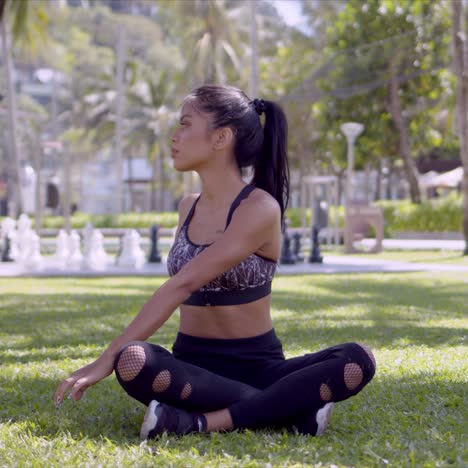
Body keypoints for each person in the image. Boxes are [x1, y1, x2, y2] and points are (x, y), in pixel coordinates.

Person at [54, 85, 376, 438]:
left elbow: (184, 283)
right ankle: (288, 410)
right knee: (132, 360)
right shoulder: (187, 206)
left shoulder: (258, 208)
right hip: (192, 369)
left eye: (186, 124)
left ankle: (199, 422)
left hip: (258, 366)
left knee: (357, 359)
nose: (174, 136)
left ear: (221, 137)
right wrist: (115, 357)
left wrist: (102, 360)